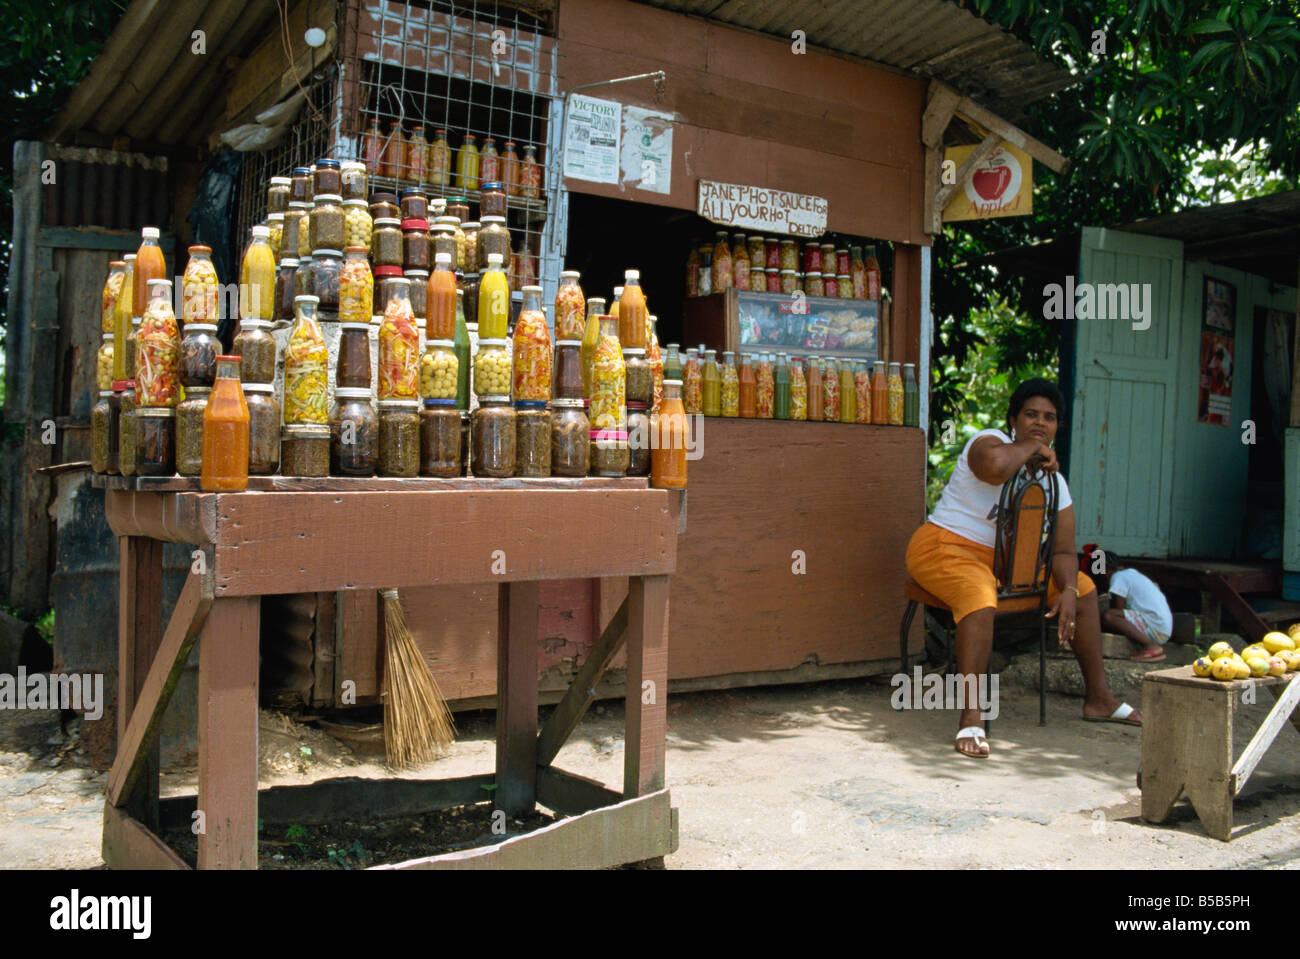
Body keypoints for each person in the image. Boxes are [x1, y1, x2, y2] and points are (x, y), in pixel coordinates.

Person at [905, 378, 1141, 759]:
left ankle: (1100, 699)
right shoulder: (987, 442)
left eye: (1049, 418)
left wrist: (1065, 591)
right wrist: (1032, 445)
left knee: (1082, 588)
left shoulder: (1055, 482)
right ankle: (971, 717)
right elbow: (997, 469)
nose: (1040, 423)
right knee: (979, 595)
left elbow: (1063, 550)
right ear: (1012, 419)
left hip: (1007, 564)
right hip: (945, 548)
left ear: (1058, 427)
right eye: (1031, 415)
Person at [1084, 545, 1172, 662]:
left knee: (1109, 616)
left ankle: (1151, 646)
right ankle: (1151, 645)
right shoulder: (1131, 574)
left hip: (1155, 627)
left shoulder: (1118, 577)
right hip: (1162, 629)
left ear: (1104, 573)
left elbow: (1117, 610)